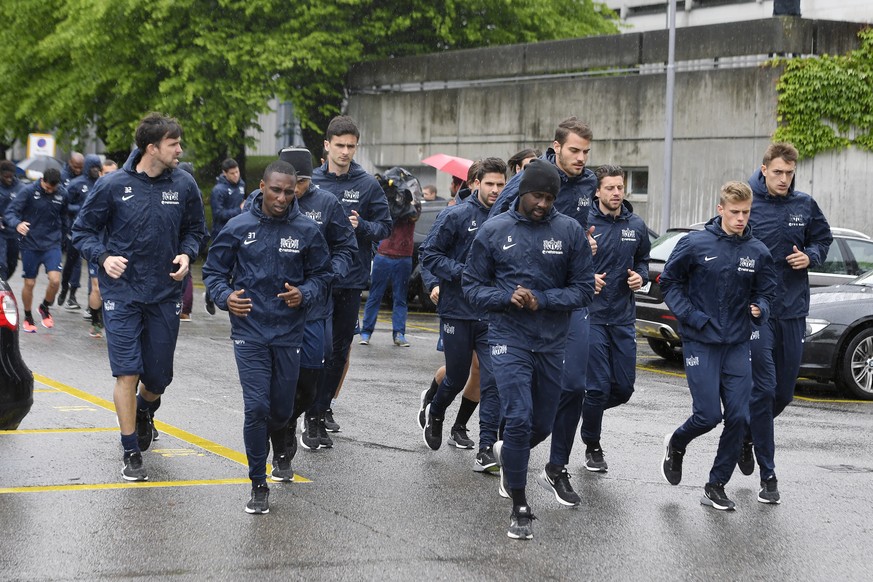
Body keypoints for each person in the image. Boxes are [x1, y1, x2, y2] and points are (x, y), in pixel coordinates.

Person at [463, 159, 594, 540]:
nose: (543, 203)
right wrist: (507, 295)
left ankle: (511, 453)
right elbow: (471, 286)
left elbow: (584, 289)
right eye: (538, 195)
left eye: (550, 197)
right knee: (519, 417)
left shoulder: (569, 231)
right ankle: (520, 506)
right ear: (522, 192)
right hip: (507, 337)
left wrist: (544, 299)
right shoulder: (493, 230)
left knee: (542, 424)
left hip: (552, 341)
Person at [72, 112, 207, 482]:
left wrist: (186, 253)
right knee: (127, 371)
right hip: (122, 294)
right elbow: (82, 231)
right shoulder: (112, 185)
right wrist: (103, 256)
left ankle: (147, 411)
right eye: (173, 144)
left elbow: (196, 230)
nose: (180, 149)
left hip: (164, 293)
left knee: (159, 377)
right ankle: (130, 450)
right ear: (152, 147)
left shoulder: (184, 185)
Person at [203, 160, 332, 514]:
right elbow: (213, 272)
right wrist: (224, 296)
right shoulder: (238, 226)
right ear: (262, 186)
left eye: (289, 192)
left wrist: (304, 293)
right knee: (256, 407)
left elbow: (323, 276)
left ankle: (282, 442)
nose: (282, 197)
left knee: (280, 409)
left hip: (289, 333)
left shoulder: (306, 231)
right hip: (249, 333)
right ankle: (258, 484)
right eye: (275, 190)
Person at [490, 117, 599, 507]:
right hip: (521, 305)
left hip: (566, 300)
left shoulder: (588, 183)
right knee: (524, 404)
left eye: (587, 151)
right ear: (556, 147)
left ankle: (555, 466)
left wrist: (585, 251)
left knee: (575, 387)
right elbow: (496, 229)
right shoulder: (529, 182)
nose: (581, 158)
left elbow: (586, 229)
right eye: (574, 150)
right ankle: (511, 448)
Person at [660, 181, 776, 511]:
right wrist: (692, 317)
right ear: (720, 209)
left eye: (746, 212)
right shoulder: (695, 243)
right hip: (701, 340)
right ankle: (677, 442)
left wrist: (761, 309)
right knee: (709, 415)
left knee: (739, 416)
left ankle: (716, 484)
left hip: (738, 342)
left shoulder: (758, 251)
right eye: (735, 212)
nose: (741, 218)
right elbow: (669, 282)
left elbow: (767, 292)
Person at [543, 165, 649, 493]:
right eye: (611, 188)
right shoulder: (583, 225)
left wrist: (640, 277)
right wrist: (587, 278)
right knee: (598, 386)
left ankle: (581, 410)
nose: (617, 193)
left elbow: (644, 260)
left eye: (621, 187)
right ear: (598, 192)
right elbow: (564, 265)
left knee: (624, 388)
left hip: (622, 317)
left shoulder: (636, 225)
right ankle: (592, 445)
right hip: (591, 315)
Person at [743, 142, 833, 504]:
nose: (784, 179)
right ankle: (769, 475)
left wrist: (810, 256)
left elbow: (823, 239)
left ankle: (747, 433)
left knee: (783, 394)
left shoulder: (804, 205)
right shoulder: (748, 202)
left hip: (793, 310)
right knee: (764, 389)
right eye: (778, 172)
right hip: (757, 311)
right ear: (764, 169)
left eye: (789, 173)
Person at [269, 146, 356, 458]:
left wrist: (332, 274)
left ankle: (302, 415)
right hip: (277, 305)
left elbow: (347, 245)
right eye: (293, 182)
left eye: (303, 182)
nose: (296, 190)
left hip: (317, 302)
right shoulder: (268, 200)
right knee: (281, 374)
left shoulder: (326, 203)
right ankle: (284, 429)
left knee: (316, 370)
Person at [307, 115, 392, 436]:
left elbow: (385, 227)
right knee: (319, 348)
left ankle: (323, 405)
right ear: (327, 145)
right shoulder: (311, 182)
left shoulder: (367, 184)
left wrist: (363, 226)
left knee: (340, 349)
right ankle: (310, 405)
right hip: (316, 279)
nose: (345, 152)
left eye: (351, 146)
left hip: (351, 278)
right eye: (339, 145)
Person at [421, 157, 506, 470]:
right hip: (457, 310)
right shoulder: (455, 215)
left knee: (493, 379)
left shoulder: (509, 219)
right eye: (490, 184)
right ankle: (437, 411)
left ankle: (486, 448)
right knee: (456, 377)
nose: (496, 190)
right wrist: (463, 272)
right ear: (475, 184)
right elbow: (429, 254)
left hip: (492, 313)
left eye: (501, 184)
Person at [359, 171, 421, 347]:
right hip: (384, 255)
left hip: (402, 257)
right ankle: (366, 332)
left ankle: (399, 334)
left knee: (400, 297)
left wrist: (404, 200)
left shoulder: (412, 207)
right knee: (375, 296)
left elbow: (413, 215)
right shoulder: (386, 204)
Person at [4, 168, 67, 332]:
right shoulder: (28, 191)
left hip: (52, 243)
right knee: (30, 283)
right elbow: (10, 212)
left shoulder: (62, 194)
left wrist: (69, 235)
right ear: (42, 180)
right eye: (47, 188)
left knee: (55, 281)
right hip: (30, 244)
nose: (49, 191)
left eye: (53, 189)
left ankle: (45, 307)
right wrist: (17, 223)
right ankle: (28, 316)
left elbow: (66, 216)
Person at [58, 154, 102, 311]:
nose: (96, 170)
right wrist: (80, 209)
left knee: (90, 266)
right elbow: (64, 206)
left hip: (94, 234)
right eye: (93, 167)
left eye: (98, 167)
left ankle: (75, 296)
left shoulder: (102, 183)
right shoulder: (76, 184)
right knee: (71, 262)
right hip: (75, 230)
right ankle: (64, 287)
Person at [204, 158, 246, 315]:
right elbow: (218, 214)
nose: (236, 175)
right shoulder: (218, 190)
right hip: (221, 234)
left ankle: (233, 296)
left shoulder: (241, 185)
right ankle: (210, 294)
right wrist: (239, 210)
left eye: (237, 172)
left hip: (239, 234)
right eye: (232, 173)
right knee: (218, 268)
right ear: (224, 174)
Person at [0, 160, 24, 279]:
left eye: (11, 176)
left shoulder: (21, 188)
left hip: (14, 231)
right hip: (1, 232)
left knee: (12, 264)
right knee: (1, 265)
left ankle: (2, 284)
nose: (9, 179)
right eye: (6, 177)